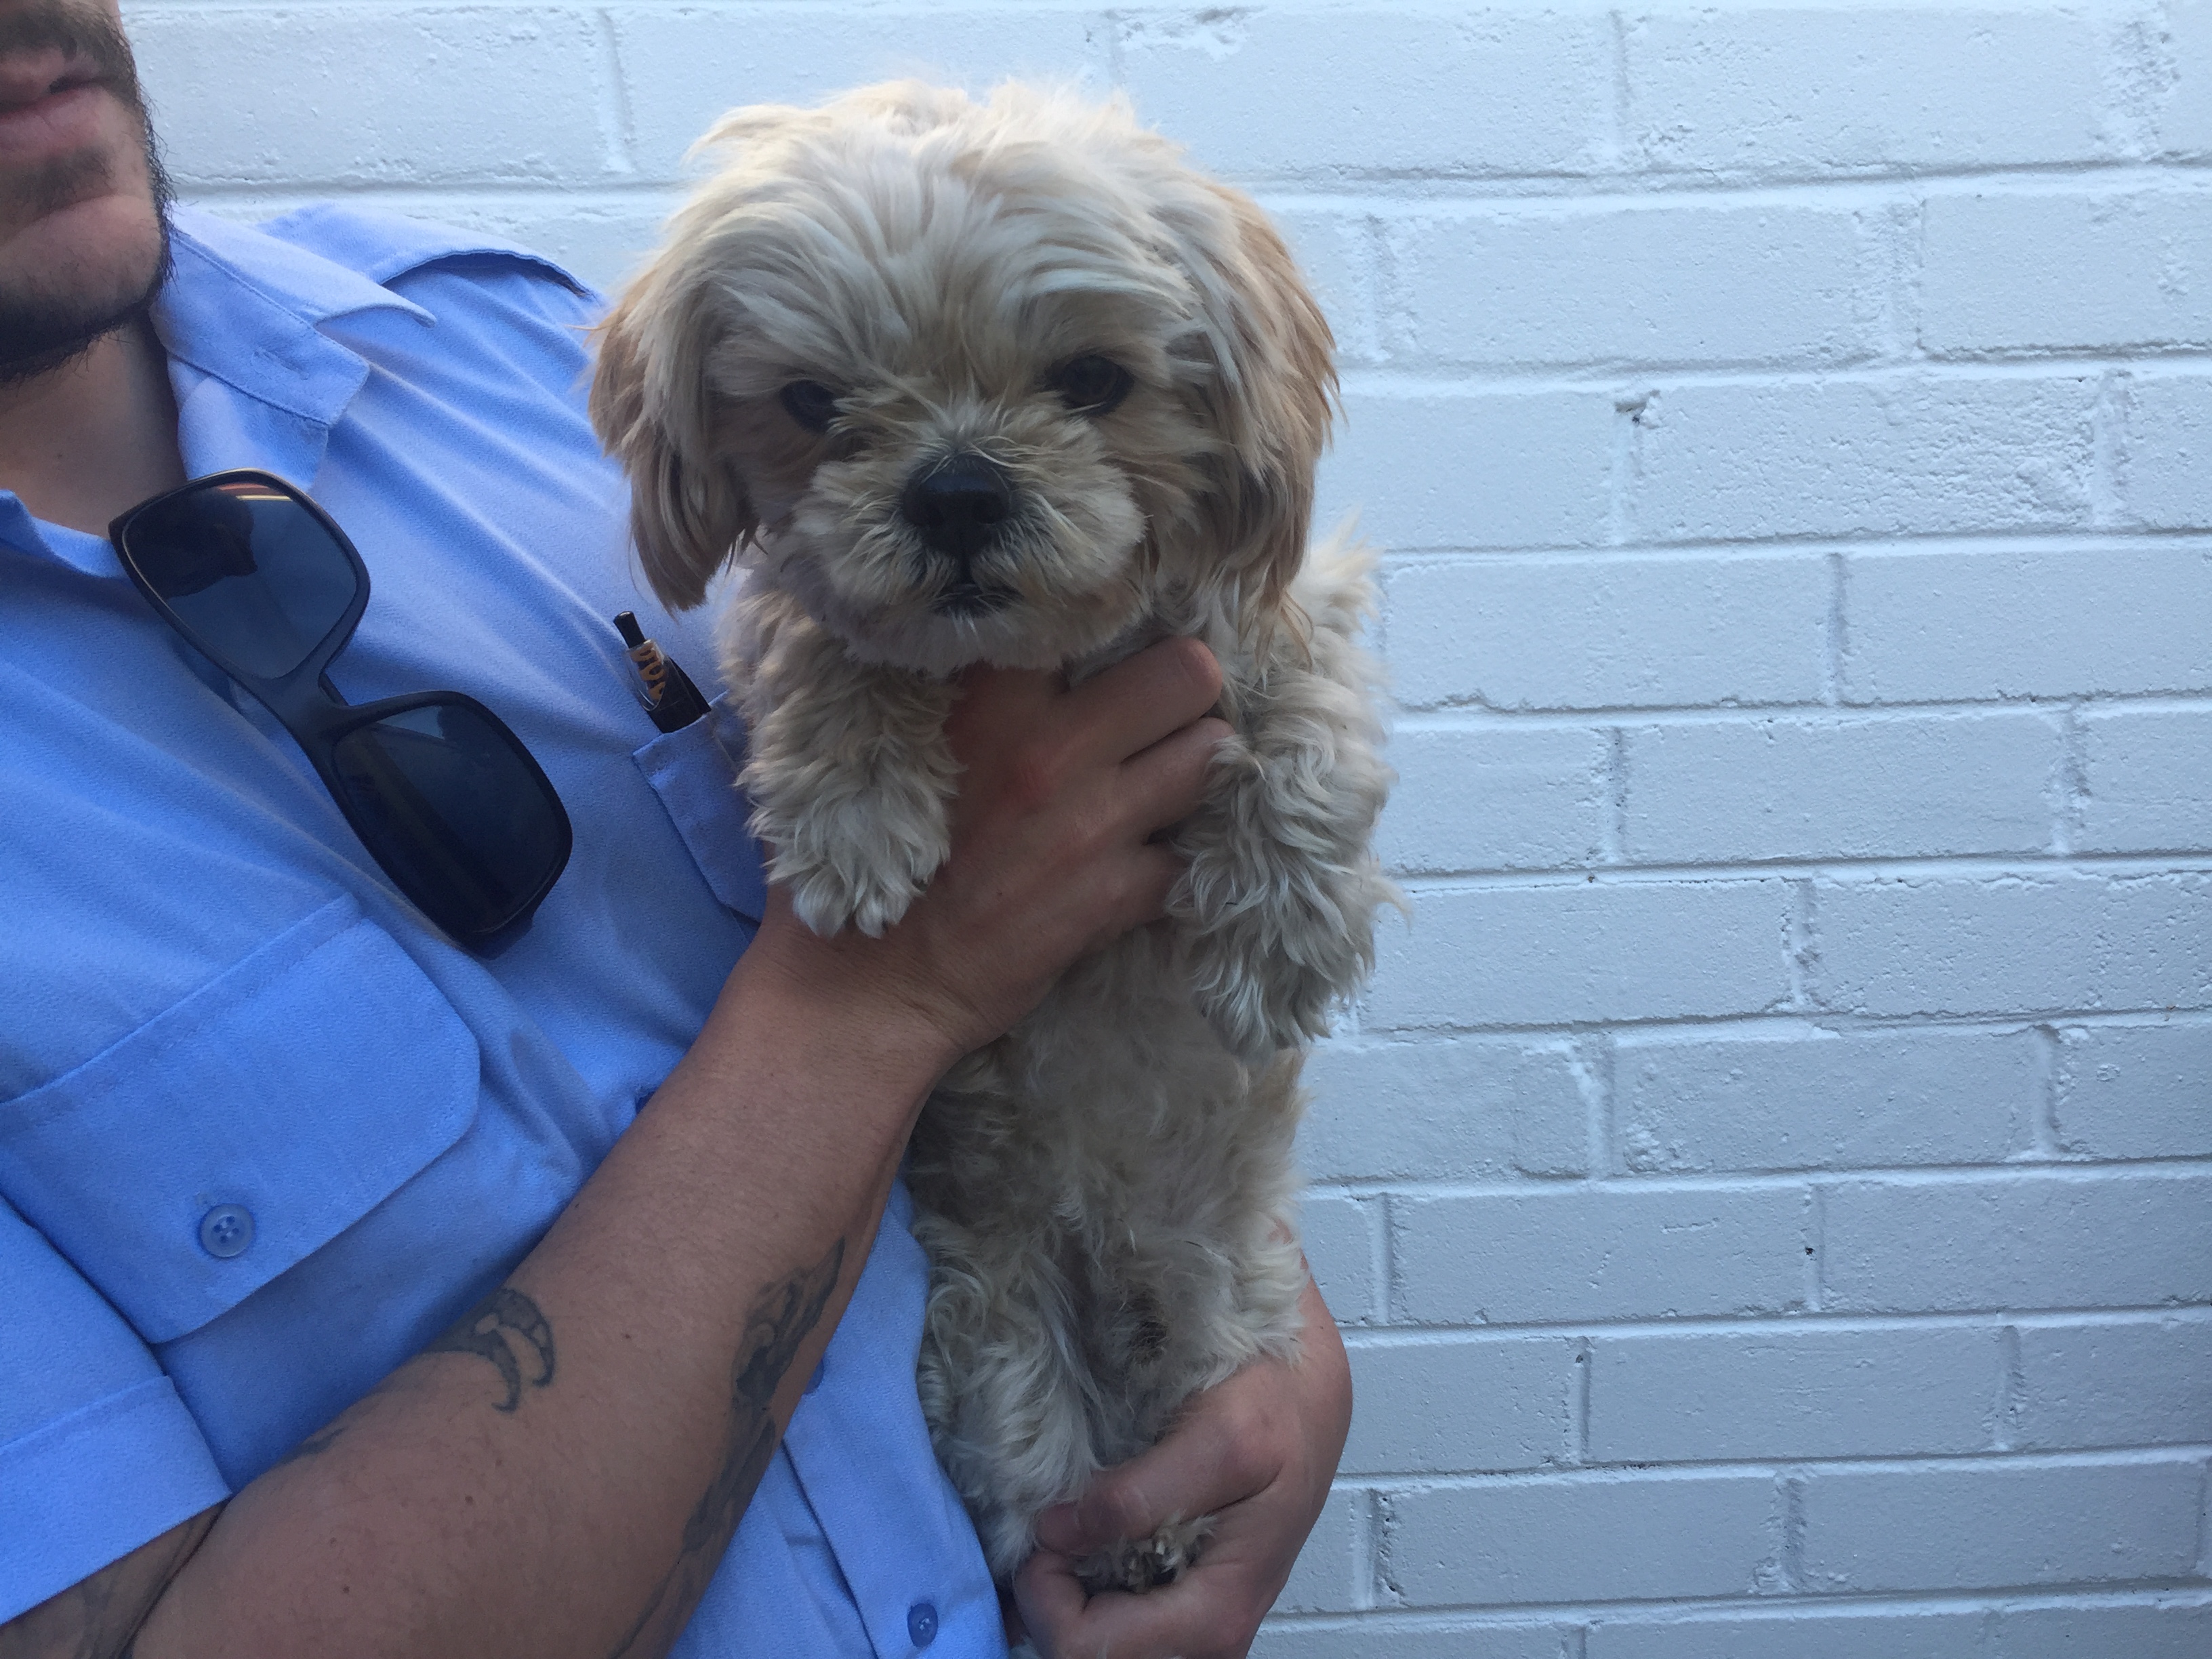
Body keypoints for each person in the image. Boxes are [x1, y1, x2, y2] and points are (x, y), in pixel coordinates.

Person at [0, 3, 1352, 1657]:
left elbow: (1083, 876)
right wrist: (884, 999)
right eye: (832, 407)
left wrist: (1273, 1381)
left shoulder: (494, 345)